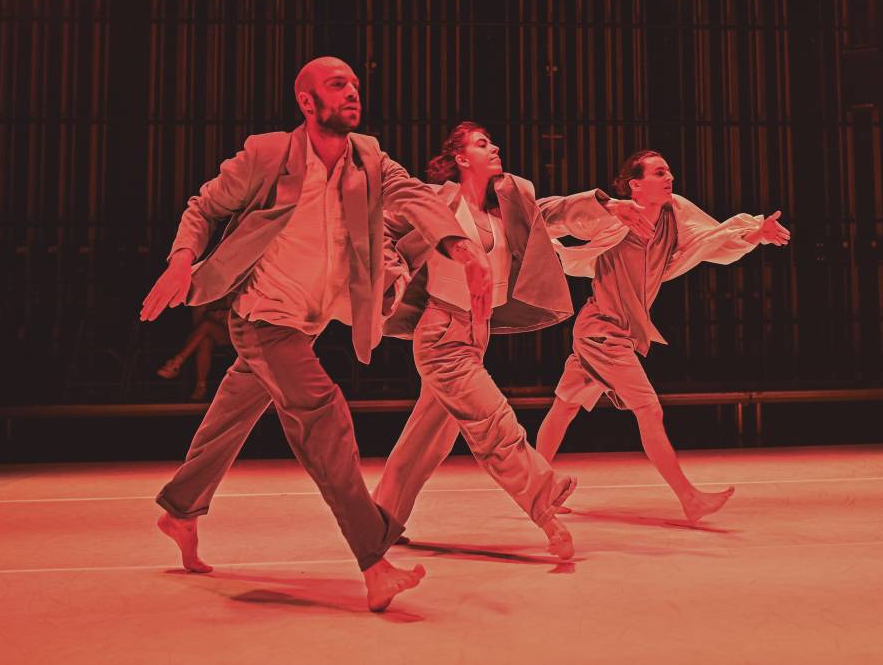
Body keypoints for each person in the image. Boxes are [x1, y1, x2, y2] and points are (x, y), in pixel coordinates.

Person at [139, 56, 494, 612]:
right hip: (261, 318)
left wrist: (463, 246)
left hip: (306, 323)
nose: (352, 92)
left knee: (230, 417)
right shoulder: (267, 154)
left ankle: (180, 509)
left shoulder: (368, 158)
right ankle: (374, 561)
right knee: (323, 415)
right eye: (337, 85)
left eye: (355, 84)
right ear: (307, 102)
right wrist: (182, 260)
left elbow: (415, 197)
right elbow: (204, 207)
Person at [372, 122, 611, 559]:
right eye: (482, 144)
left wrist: (607, 206)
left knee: (425, 442)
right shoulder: (436, 201)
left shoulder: (506, 206)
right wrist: (394, 274)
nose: (495, 146)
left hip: (475, 336)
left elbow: (551, 213)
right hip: (441, 335)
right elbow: (383, 229)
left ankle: (377, 525)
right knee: (494, 424)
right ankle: (546, 502)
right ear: (461, 158)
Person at [535, 150, 791, 523]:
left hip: (611, 331)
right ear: (636, 184)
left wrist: (756, 233)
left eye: (668, 170)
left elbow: (712, 238)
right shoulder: (613, 216)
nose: (669, 176)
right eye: (659, 172)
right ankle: (689, 498)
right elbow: (561, 217)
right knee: (649, 410)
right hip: (602, 333)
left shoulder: (675, 212)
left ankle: (533, 489)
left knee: (565, 407)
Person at [156, 298, 231, 401]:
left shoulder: (232, 292)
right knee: (205, 341)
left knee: (207, 325)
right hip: (210, 337)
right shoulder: (201, 300)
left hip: (232, 336)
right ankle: (201, 387)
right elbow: (197, 326)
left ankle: (176, 363)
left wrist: (222, 315)